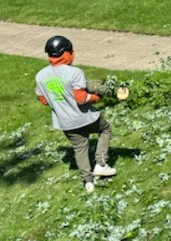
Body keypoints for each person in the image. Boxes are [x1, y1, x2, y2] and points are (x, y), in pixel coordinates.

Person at [35, 35, 116, 193]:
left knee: (80, 147)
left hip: (65, 122)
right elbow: (81, 98)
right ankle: (101, 164)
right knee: (105, 129)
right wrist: (96, 97)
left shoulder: (40, 76)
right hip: (84, 117)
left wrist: (56, 100)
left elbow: (43, 100)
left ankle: (88, 182)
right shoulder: (75, 72)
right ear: (66, 53)